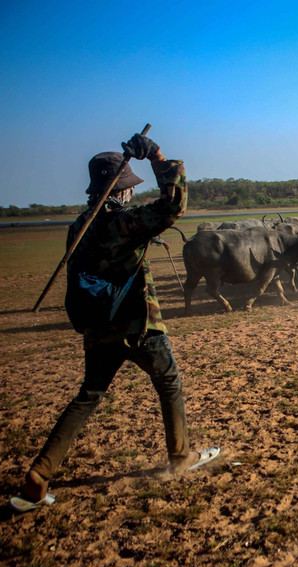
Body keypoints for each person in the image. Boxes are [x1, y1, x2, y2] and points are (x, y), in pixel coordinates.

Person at [10, 133, 219, 512]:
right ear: (120, 192)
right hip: (139, 324)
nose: (130, 195)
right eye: (128, 190)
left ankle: (38, 476)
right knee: (169, 381)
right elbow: (173, 206)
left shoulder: (78, 227)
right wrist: (157, 157)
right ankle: (181, 457)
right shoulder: (123, 224)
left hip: (98, 328)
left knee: (89, 395)